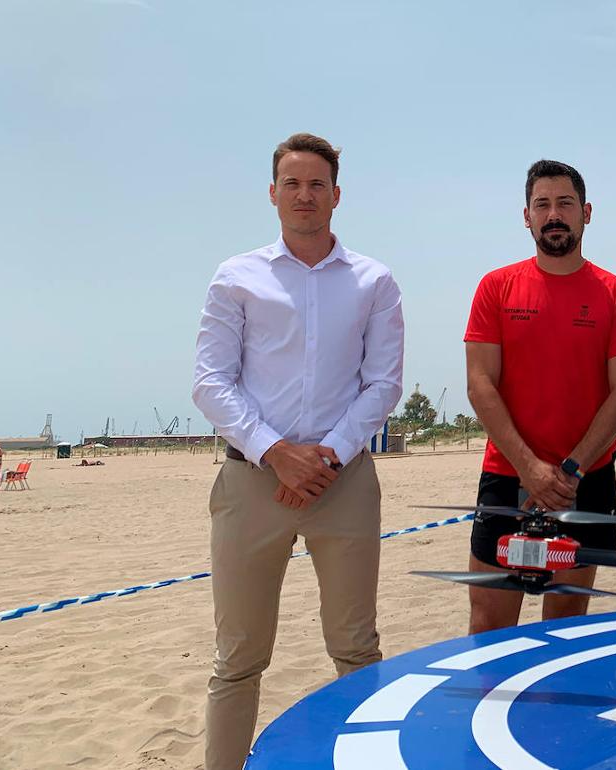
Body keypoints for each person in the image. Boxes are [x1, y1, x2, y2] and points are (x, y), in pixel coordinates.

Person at [192, 133, 404, 770]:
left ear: (336, 195)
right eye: (292, 184)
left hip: (344, 484)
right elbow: (210, 381)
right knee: (239, 658)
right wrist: (276, 452)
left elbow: (383, 384)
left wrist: (327, 458)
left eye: (317, 185)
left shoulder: (374, 281)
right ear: (273, 193)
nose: (304, 196)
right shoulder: (237, 277)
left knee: (355, 646)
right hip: (252, 483)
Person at [463, 160, 616, 634]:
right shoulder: (495, 287)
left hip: (585, 480)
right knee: (490, 625)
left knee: (564, 628)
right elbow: (480, 384)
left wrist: (570, 470)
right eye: (542, 204)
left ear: (586, 212)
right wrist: (529, 468)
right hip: (507, 476)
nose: (554, 214)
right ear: (526, 216)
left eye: (565, 203)